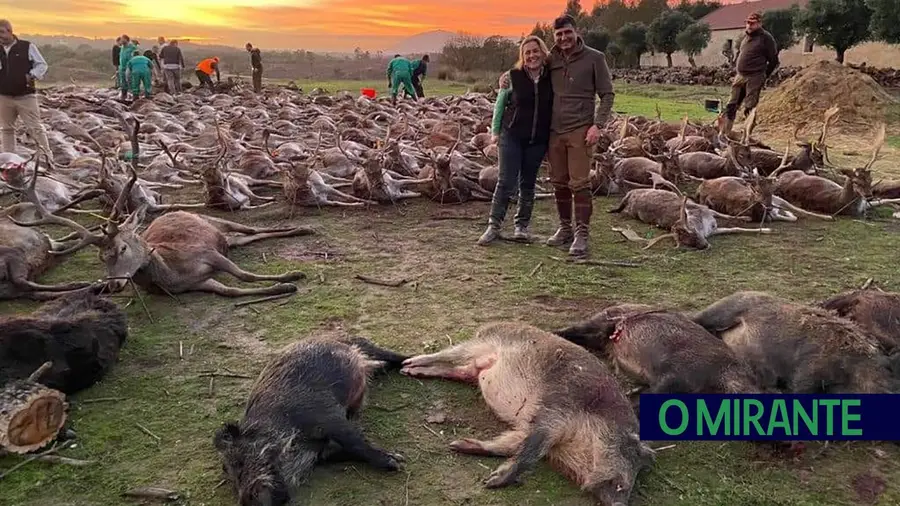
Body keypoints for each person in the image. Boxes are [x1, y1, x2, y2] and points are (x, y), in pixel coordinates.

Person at [500, 14, 614, 257]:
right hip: (553, 132)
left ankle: (582, 233)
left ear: (576, 32)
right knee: (559, 182)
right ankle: (565, 229)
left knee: (580, 183)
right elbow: (527, 68)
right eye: (559, 34)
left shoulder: (595, 58)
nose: (563, 38)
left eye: (567, 33)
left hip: (580, 130)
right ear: (555, 37)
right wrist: (506, 77)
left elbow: (607, 95)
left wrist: (598, 125)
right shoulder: (550, 59)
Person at [477, 36, 553, 246]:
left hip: (537, 139)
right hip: (511, 136)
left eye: (535, 51)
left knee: (528, 184)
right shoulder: (513, 77)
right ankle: (494, 226)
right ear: (522, 56)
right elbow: (500, 105)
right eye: (527, 52)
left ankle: (522, 227)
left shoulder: (552, 77)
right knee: (505, 181)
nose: (532, 56)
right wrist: (495, 132)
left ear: (543, 52)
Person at [0, 19, 52, 156]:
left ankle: (46, 158)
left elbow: (42, 64)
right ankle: (9, 161)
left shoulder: (27, 46)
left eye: (1, 32)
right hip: (4, 96)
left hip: (26, 96)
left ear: (10, 32)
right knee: (6, 129)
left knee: (35, 128)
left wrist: (31, 76)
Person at [722, 12, 779, 136]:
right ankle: (725, 133)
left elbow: (774, 60)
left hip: (755, 77)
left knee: (750, 107)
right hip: (740, 76)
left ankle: (747, 135)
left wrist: (763, 76)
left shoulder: (766, 38)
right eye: (747, 23)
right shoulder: (746, 37)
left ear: (759, 24)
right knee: (731, 105)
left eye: (752, 23)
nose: (749, 25)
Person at [118, 35, 136, 100]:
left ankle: (132, 95)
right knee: (123, 82)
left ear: (126, 39)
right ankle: (124, 96)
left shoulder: (132, 47)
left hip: (129, 67)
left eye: (122, 39)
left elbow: (134, 56)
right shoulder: (122, 47)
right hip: (122, 67)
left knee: (130, 81)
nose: (121, 40)